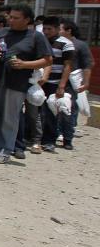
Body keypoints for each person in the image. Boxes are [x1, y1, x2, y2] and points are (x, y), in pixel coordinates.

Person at [0, 5, 52, 164]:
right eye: (10, 17)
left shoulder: (36, 36)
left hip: (17, 83)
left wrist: (25, 64)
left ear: (27, 20)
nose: (11, 20)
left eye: (16, 18)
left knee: (10, 117)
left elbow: (47, 60)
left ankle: (5, 150)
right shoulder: (1, 33)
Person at [39, 16, 76, 151]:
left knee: (52, 113)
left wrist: (61, 86)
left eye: (49, 29)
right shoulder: (40, 40)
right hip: (40, 82)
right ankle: (37, 137)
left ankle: (50, 140)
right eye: (44, 28)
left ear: (57, 29)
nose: (46, 31)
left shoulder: (66, 44)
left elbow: (67, 66)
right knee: (38, 112)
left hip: (55, 83)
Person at [61, 19, 93, 136]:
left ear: (68, 31)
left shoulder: (80, 45)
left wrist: (86, 82)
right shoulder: (57, 43)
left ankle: (69, 131)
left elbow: (87, 65)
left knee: (72, 105)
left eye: (60, 29)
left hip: (72, 81)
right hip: (58, 79)